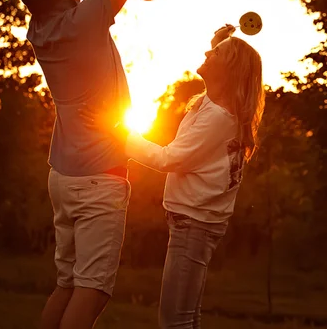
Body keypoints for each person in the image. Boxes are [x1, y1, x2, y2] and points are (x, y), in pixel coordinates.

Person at [15, 0, 160, 329]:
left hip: (64, 176)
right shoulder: (87, 18)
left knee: (65, 284)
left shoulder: (43, 27)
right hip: (99, 178)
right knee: (92, 290)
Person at [89, 25, 265, 329]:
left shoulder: (216, 117)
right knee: (186, 317)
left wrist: (120, 136)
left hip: (194, 224)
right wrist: (220, 42)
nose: (207, 53)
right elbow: (224, 71)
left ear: (229, 70)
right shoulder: (218, 105)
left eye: (216, 54)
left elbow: (168, 158)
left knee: (174, 321)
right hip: (198, 221)